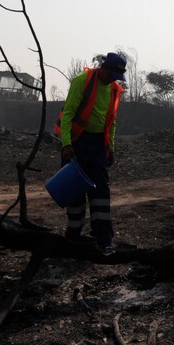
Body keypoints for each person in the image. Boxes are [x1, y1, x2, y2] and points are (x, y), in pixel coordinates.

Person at [55, 52, 126, 251]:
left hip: (97, 145)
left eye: (116, 76)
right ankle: (73, 234)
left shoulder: (114, 90)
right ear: (103, 67)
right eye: (111, 73)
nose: (113, 78)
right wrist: (66, 144)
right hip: (77, 141)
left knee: (101, 190)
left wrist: (110, 147)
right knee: (75, 188)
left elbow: (111, 121)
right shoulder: (82, 81)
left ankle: (103, 237)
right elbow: (68, 113)